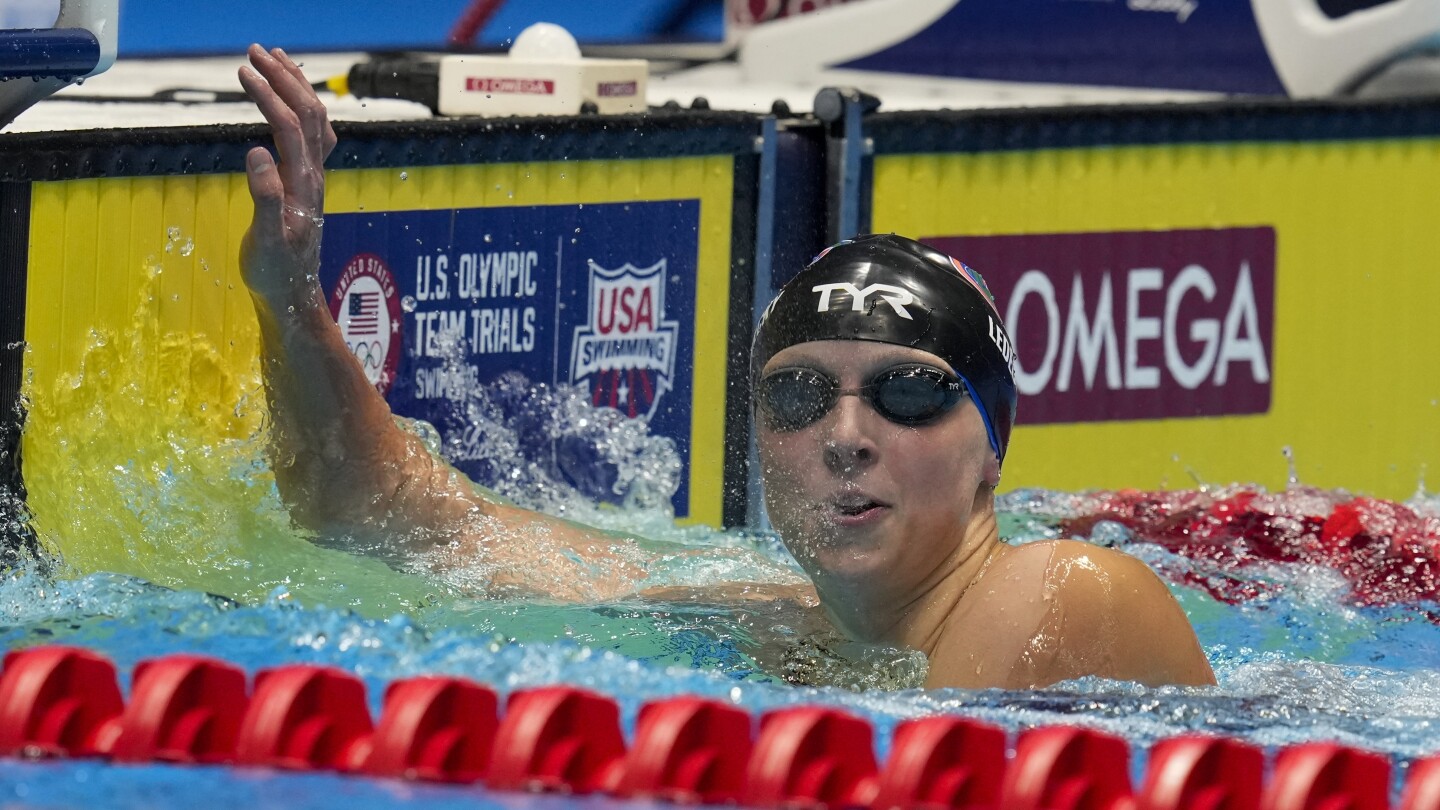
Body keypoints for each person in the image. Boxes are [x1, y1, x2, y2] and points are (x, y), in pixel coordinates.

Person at [237, 44, 1216, 689]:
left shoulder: (1066, 592)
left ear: (992, 450)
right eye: (798, 394)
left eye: (908, 392)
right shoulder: (780, 624)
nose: (844, 437)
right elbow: (395, 520)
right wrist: (291, 301)